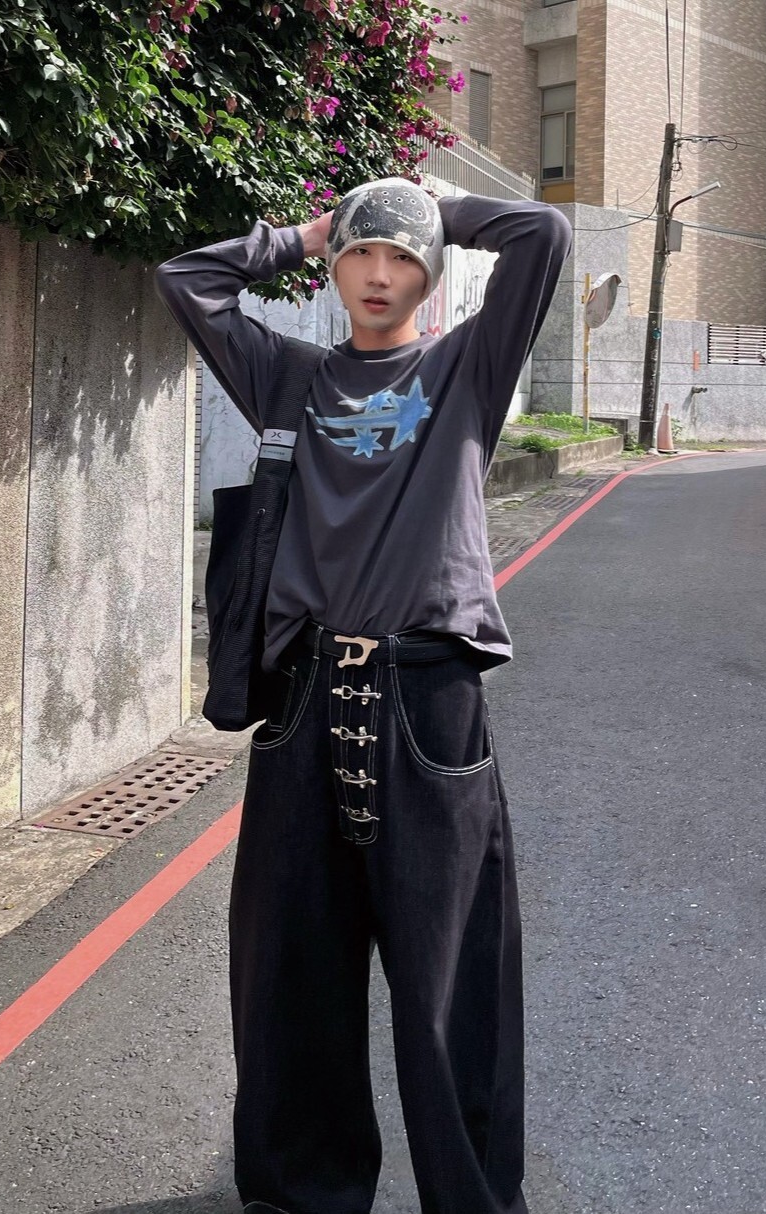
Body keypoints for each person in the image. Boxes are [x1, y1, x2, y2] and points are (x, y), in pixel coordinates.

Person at [155, 177, 572, 1214]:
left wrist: (434, 205)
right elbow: (187, 281)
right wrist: (304, 231)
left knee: (448, 982)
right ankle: (304, 1192)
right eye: (360, 254)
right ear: (335, 267)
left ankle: (473, 1199)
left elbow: (542, 232)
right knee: (292, 966)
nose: (380, 275)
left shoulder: (467, 367)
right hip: (304, 696)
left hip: (427, 699)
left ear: (431, 277)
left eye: (403, 258)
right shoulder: (289, 376)